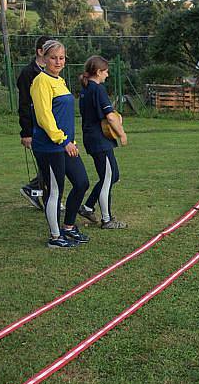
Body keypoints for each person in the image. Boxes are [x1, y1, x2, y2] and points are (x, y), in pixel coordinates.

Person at [30, 40, 90, 249]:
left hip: (65, 144)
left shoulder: (60, 81)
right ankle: (55, 238)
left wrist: (70, 141)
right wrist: (63, 140)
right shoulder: (41, 82)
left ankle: (69, 226)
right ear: (44, 58)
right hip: (50, 146)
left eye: (61, 58)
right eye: (53, 57)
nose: (57, 61)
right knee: (55, 191)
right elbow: (44, 117)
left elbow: (63, 115)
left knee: (82, 182)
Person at [77, 56, 128, 229]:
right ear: (98, 72)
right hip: (99, 140)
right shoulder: (98, 89)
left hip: (92, 138)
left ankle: (87, 206)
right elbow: (110, 117)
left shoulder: (86, 89)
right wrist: (122, 134)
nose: (107, 74)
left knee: (113, 175)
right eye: (105, 71)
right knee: (107, 178)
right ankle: (107, 220)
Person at [17, 35, 52, 209]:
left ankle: (42, 194)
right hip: (36, 127)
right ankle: (37, 192)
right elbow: (24, 104)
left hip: (51, 126)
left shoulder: (51, 73)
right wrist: (26, 133)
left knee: (52, 163)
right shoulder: (27, 74)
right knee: (48, 163)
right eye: (49, 52)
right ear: (40, 52)